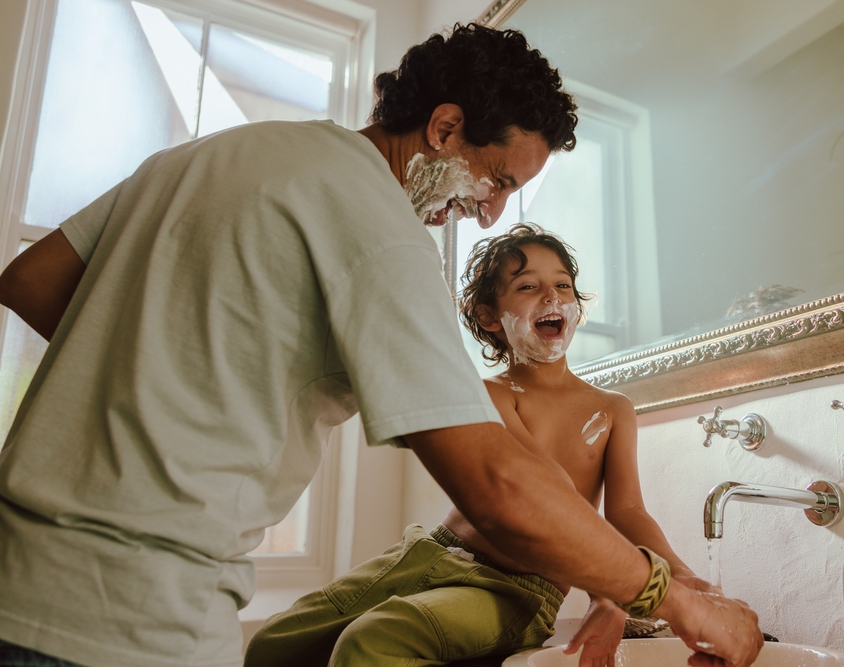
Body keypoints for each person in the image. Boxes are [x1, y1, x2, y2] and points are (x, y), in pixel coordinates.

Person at [0, 24, 762, 667]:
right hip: (130, 620)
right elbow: (497, 486)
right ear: (443, 129)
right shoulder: (380, 228)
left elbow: (32, 280)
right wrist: (676, 600)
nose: (491, 214)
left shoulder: (222, 153)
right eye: (495, 179)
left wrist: (179, 362)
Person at [244, 224, 726, 667]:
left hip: (520, 589)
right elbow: (539, 483)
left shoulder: (611, 409)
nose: (550, 297)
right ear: (489, 317)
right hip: (431, 553)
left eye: (562, 285)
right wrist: (608, 588)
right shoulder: (491, 393)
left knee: (373, 640)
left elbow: (628, 512)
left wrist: (680, 579)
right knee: (277, 644)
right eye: (527, 287)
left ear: (576, 306)